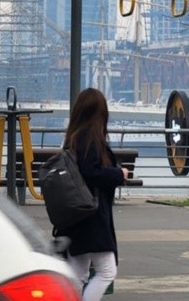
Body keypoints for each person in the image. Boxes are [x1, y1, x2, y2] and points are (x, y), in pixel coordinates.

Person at [58, 88, 128, 300]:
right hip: (92, 217)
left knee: (77, 273)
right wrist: (119, 173)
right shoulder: (89, 138)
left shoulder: (73, 138)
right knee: (107, 271)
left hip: (76, 217)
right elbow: (92, 172)